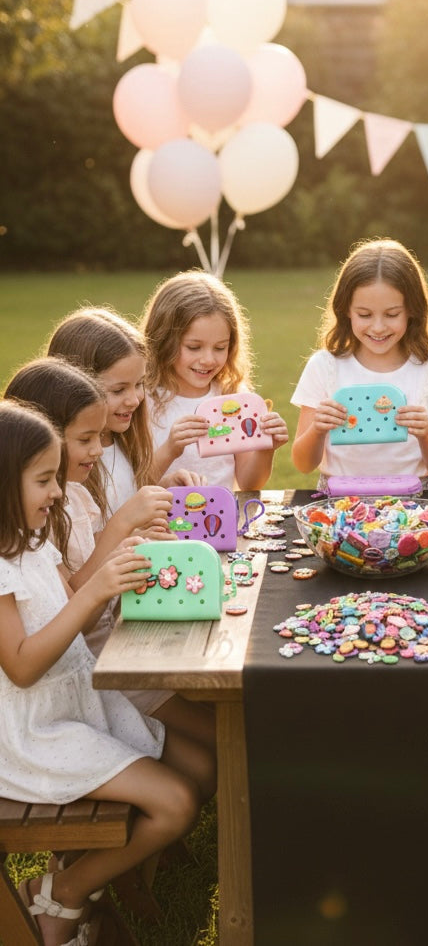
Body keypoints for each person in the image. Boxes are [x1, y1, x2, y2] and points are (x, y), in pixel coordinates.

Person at [0, 399, 215, 946]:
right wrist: (96, 589)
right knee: (175, 802)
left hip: (79, 702)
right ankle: (66, 891)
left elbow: (66, 604)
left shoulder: (32, 541)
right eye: (44, 480)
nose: (56, 492)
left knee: (204, 765)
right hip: (35, 733)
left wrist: (124, 564)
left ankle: (82, 895)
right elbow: (23, 667)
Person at [4, 358, 215, 750]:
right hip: (99, 663)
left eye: (100, 437)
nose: (100, 449)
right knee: (216, 742)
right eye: (87, 439)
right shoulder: (35, 521)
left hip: (111, 648)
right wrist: (121, 526)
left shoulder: (75, 496)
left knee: (213, 740)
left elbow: (95, 577)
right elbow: (76, 608)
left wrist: (138, 535)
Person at [291, 238, 428, 487]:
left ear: (412, 310)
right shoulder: (324, 366)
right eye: (364, 315)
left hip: (412, 502)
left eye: (392, 314)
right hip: (338, 500)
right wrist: (317, 429)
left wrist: (426, 433)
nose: (378, 327)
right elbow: (303, 464)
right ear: (346, 310)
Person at [141, 270, 288, 491]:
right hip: (159, 524)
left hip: (220, 523)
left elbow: (249, 484)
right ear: (163, 339)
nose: (208, 359)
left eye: (220, 347)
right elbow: (129, 486)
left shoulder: (232, 394)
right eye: (194, 347)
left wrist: (266, 449)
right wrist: (170, 449)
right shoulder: (142, 398)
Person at [46, 306, 194, 523]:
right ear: (75, 389)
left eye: (139, 384)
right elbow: (82, 552)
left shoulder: (121, 439)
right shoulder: (70, 463)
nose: (134, 400)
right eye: (118, 390)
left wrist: (160, 490)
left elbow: (122, 498)